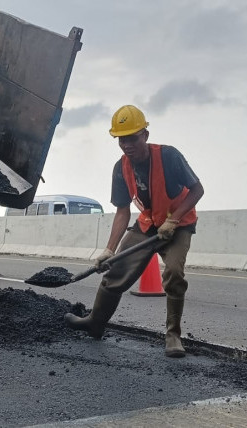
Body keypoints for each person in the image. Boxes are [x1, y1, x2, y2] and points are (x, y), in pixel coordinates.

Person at [64, 105, 204, 358]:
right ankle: (95, 322)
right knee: (116, 270)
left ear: (145, 135)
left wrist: (174, 220)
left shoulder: (169, 156)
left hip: (178, 225)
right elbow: (122, 211)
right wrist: (109, 249)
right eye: (121, 139)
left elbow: (197, 190)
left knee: (173, 273)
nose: (127, 144)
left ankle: (173, 335)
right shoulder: (121, 168)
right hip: (147, 225)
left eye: (132, 138)